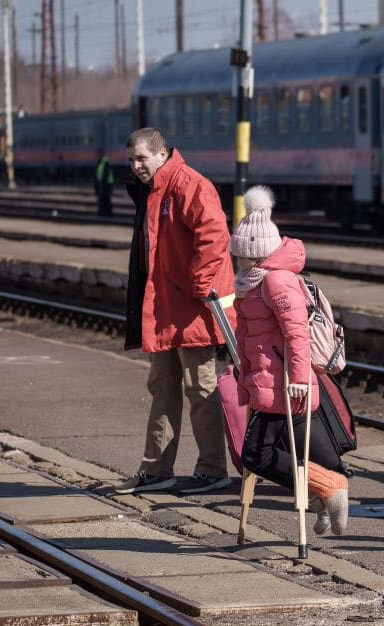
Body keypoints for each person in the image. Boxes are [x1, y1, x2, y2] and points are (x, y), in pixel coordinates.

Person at [116, 127, 234, 496]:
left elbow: (215, 235)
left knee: (200, 386)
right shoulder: (155, 189)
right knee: (163, 385)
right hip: (166, 306)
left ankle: (213, 469)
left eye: (141, 158)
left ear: (162, 153)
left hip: (191, 306)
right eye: (131, 159)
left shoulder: (189, 185)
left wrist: (200, 284)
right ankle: (156, 470)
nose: (136, 166)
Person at [229, 185, 350, 536]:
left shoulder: (277, 281)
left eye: (241, 254)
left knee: (255, 455)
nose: (238, 260)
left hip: (285, 384)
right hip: (266, 381)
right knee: (271, 451)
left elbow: (297, 333)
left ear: (255, 252)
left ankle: (329, 488)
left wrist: (297, 376)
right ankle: (326, 489)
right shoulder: (253, 282)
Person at [94, 149, 115, 217]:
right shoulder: (100, 162)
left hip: (106, 184)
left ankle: (107, 214)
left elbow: (105, 174)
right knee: (102, 199)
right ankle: (103, 213)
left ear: (102, 154)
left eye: (99, 154)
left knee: (105, 199)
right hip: (102, 184)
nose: (98, 156)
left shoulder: (105, 162)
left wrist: (101, 182)